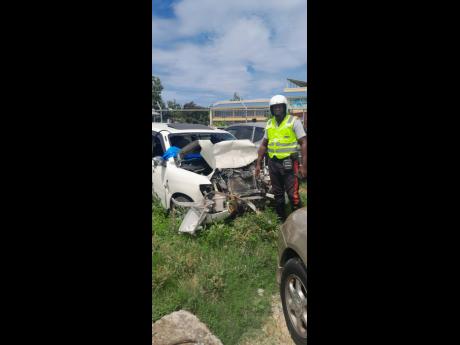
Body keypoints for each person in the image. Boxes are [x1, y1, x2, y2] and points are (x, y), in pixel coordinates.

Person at [255, 95, 307, 221]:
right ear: (271, 109)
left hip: (289, 163)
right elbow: (263, 145)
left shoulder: (294, 121)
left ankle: (299, 222)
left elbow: (304, 143)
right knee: (277, 194)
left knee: (292, 194)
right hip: (273, 163)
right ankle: (281, 220)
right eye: (274, 107)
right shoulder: (269, 123)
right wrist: (258, 164)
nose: (277, 109)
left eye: (280, 106)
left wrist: (304, 166)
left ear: (285, 107)